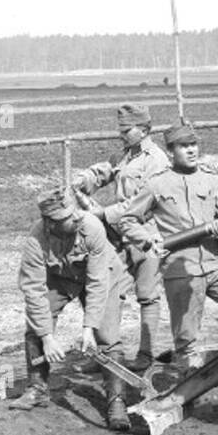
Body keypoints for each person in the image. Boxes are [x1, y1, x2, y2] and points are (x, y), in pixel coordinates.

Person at [116, 123, 218, 373]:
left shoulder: (214, 181)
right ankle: (188, 391)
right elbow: (127, 220)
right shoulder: (156, 185)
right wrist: (148, 240)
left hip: (217, 263)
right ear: (171, 151)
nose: (191, 151)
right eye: (184, 146)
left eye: (193, 145)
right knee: (186, 340)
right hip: (181, 270)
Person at [13, 187, 135, 431]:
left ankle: (117, 402)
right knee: (37, 325)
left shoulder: (91, 227)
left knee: (107, 337)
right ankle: (37, 388)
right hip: (59, 278)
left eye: (74, 213)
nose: (75, 219)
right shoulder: (36, 240)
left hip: (102, 276)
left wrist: (89, 329)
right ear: (50, 223)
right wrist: (47, 338)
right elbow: (34, 292)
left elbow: (98, 282)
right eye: (66, 218)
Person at [73, 103, 170, 372]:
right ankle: (108, 352)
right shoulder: (127, 155)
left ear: (145, 129)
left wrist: (104, 214)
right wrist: (84, 179)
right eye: (121, 129)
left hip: (147, 236)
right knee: (108, 291)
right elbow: (107, 170)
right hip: (122, 238)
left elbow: (144, 202)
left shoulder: (157, 160)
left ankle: (146, 354)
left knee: (147, 295)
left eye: (127, 130)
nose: (122, 134)